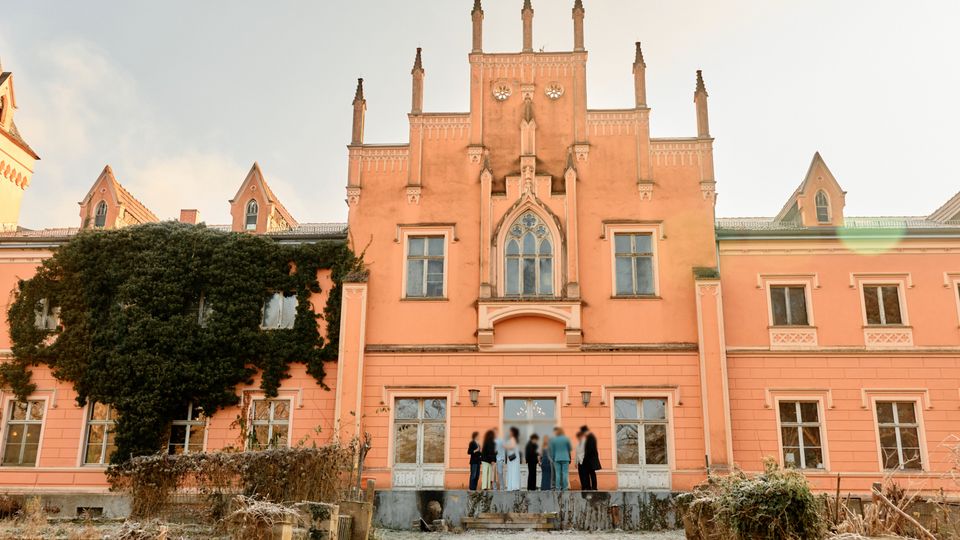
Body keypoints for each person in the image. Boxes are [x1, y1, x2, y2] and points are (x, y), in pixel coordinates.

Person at [550, 426, 572, 491]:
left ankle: (558, 488)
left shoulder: (554, 440)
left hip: (556, 458)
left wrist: (553, 458)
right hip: (565, 458)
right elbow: (570, 448)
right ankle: (565, 488)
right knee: (565, 473)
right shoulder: (566, 439)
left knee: (557, 473)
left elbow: (552, 451)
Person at [504, 427, 522, 491]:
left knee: (513, 470)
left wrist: (505, 446)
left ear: (513, 433)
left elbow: (512, 447)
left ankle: (514, 486)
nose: (509, 433)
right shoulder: (514, 439)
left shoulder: (513, 439)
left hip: (513, 457)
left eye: (510, 432)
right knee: (513, 470)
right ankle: (513, 486)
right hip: (513, 457)